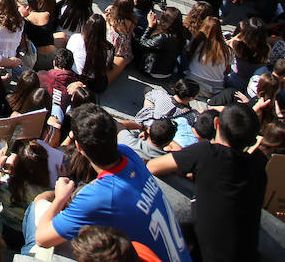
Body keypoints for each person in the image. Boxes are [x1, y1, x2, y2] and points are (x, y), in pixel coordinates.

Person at [25, 104, 192, 262]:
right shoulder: (129, 155)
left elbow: (42, 239)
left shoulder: (99, 196)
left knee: (38, 205)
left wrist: (60, 198)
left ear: (79, 147)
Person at [147, 103, 268, 262]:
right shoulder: (259, 171)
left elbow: (152, 166)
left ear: (216, 123)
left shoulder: (205, 152)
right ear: (252, 141)